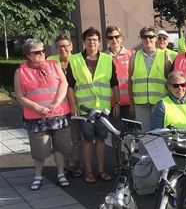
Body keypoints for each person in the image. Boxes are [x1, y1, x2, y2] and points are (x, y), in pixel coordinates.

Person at [14, 39, 72, 190]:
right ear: (28, 55)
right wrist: (36, 107)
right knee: (39, 150)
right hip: (36, 117)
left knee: (60, 147)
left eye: (43, 51)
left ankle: (61, 174)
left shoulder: (53, 64)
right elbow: (20, 96)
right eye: (37, 52)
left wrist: (55, 103)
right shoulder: (21, 71)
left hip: (58, 114)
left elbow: (64, 84)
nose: (41, 54)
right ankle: (38, 176)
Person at [66, 27, 119, 184]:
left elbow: (114, 83)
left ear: (99, 41)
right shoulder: (75, 60)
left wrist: (116, 102)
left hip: (103, 108)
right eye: (89, 40)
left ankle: (101, 170)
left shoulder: (107, 59)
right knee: (88, 140)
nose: (92, 43)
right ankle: (88, 172)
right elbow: (69, 85)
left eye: (95, 40)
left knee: (101, 139)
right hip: (85, 108)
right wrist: (73, 105)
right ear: (84, 41)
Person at [48, 34, 83, 178]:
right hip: (58, 106)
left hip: (76, 103)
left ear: (71, 47)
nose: (63, 49)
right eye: (60, 46)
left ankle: (76, 165)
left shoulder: (78, 60)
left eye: (66, 46)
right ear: (56, 48)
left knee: (76, 136)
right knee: (62, 137)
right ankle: (65, 164)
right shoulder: (50, 61)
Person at [128, 26, 172, 131]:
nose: (148, 39)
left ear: (156, 38)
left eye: (151, 36)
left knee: (160, 133)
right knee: (143, 135)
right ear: (141, 39)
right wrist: (131, 104)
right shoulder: (134, 57)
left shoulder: (165, 56)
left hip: (159, 103)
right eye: (144, 37)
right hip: (140, 104)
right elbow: (130, 81)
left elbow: (170, 81)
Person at [105, 25, 135, 171]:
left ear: (122, 38)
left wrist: (133, 102)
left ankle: (131, 162)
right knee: (116, 134)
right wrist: (115, 102)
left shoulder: (132, 54)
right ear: (107, 40)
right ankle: (119, 163)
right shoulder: (103, 57)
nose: (114, 40)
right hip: (113, 103)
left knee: (130, 134)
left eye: (117, 36)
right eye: (111, 37)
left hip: (130, 102)